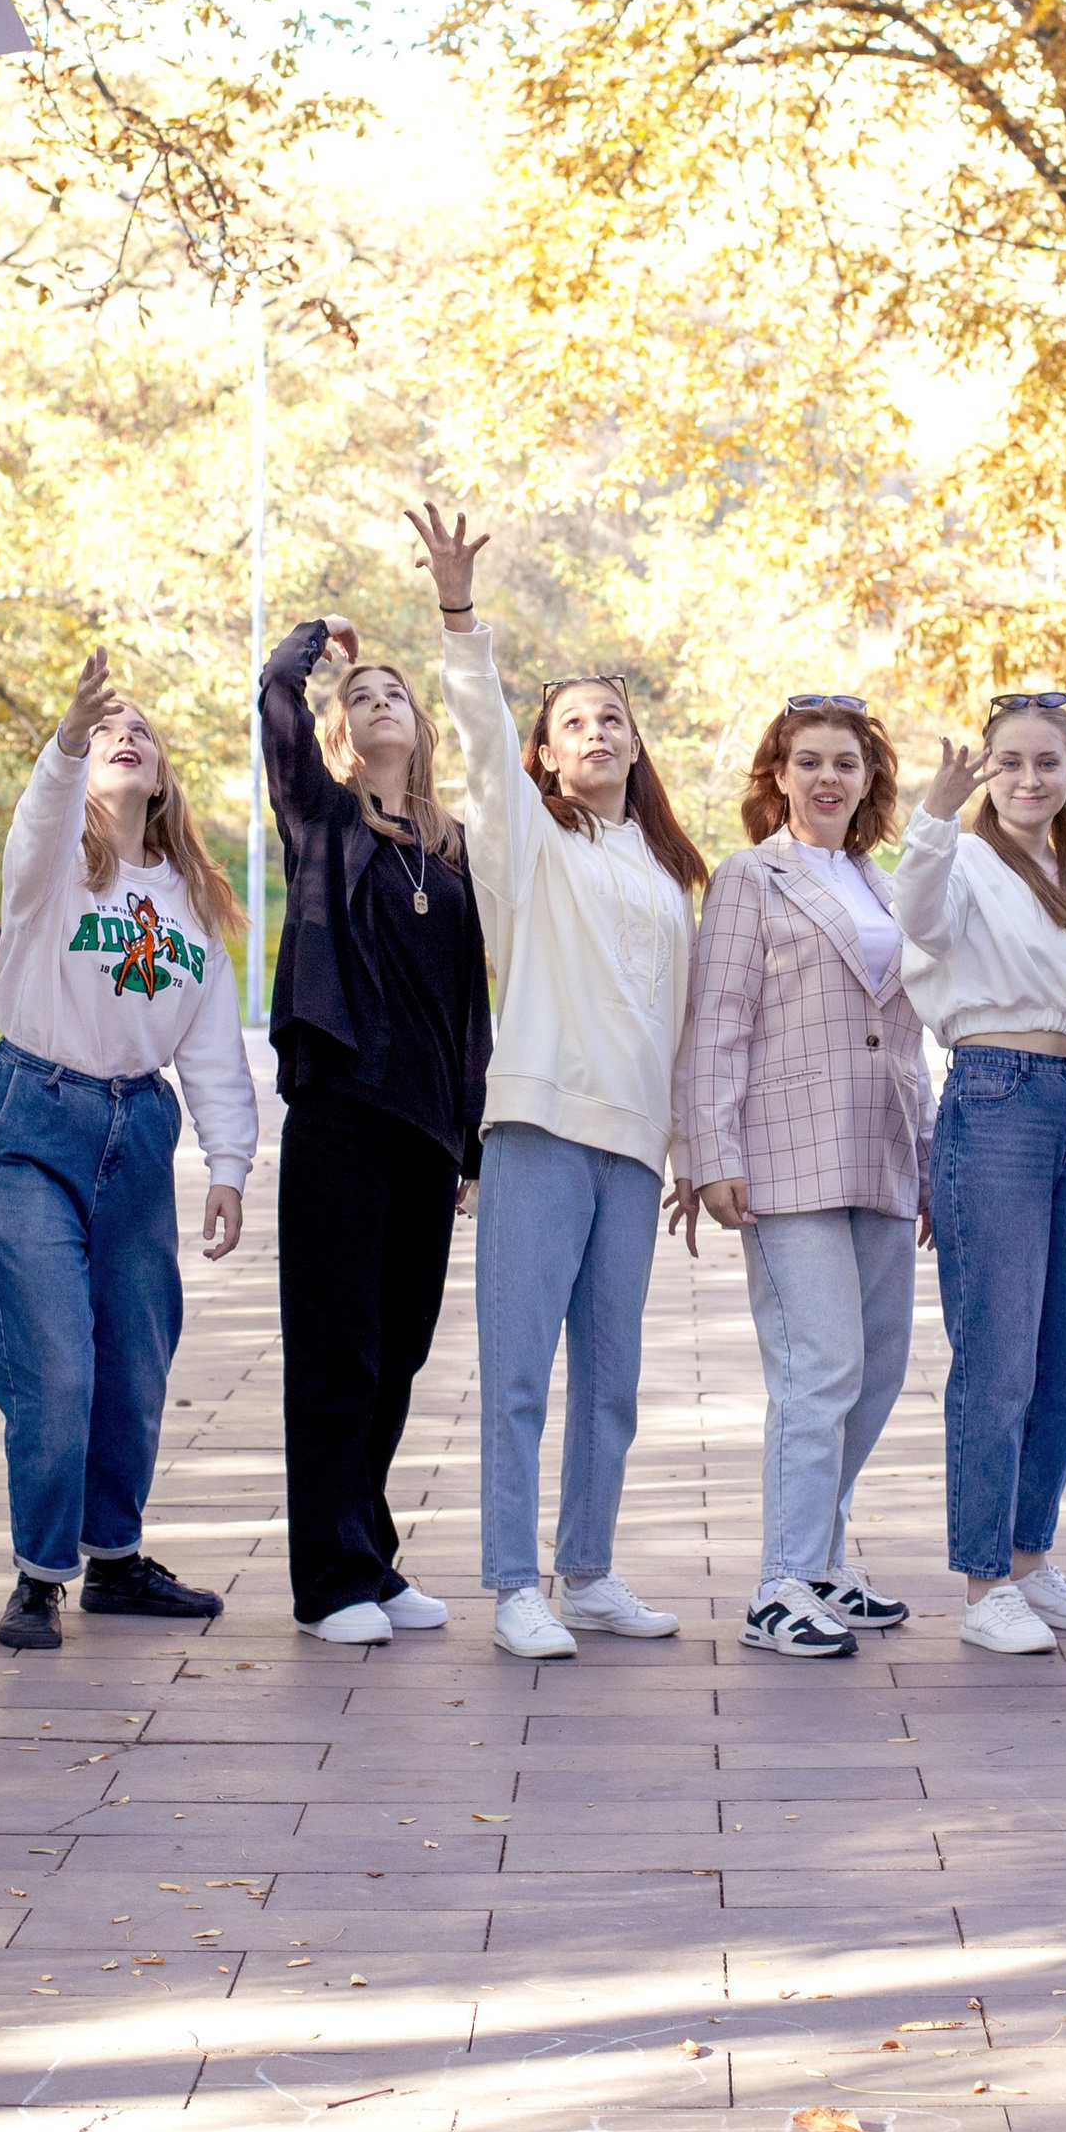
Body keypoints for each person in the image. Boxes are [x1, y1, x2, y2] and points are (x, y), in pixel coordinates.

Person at [411, 502, 709, 1659]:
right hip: (537, 1125)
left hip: (633, 1148)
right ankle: (512, 1583)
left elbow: (677, 1026)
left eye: (611, 718)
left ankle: (587, 1571)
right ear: (546, 752)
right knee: (521, 1371)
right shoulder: (527, 845)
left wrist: (686, 1149)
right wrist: (458, 616)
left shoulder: (667, 869)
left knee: (615, 1381)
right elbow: (481, 733)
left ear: (636, 743)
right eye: (571, 721)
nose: (593, 731)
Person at [0, 649, 256, 1654]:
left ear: (165, 773)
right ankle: (40, 1574)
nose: (123, 736)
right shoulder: (50, 867)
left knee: (134, 1360)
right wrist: (61, 739)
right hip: (32, 1118)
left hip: (138, 1128)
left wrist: (228, 1164)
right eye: (105, 731)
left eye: (141, 729)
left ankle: (117, 1561)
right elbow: (41, 818)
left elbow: (214, 1044)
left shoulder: (188, 895)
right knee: (55, 1360)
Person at [679, 695, 934, 1659]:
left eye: (848, 763)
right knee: (818, 1367)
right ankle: (779, 1585)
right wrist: (712, 1153)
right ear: (778, 776)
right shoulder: (751, 877)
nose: (829, 777)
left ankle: (823, 1559)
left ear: (870, 779)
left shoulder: (883, 884)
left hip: (883, 1149)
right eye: (810, 761)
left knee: (875, 1373)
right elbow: (718, 1019)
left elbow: (910, 1036)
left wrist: (934, 1160)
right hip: (786, 1157)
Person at [260, 613, 490, 1645]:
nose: (379, 700)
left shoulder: (448, 851)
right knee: (335, 1352)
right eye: (362, 697)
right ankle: (329, 1582)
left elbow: (468, 1004)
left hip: (426, 1129)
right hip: (342, 1116)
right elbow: (275, 709)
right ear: (343, 736)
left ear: (421, 729)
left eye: (394, 691)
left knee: (398, 1350)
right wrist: (314, 647)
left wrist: (470, 1134)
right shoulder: (320, 817)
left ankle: (372, 1550)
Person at [891, 692, 1066, 1656]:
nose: (1031, 779)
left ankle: (1031, 1561)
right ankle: (985, 1579)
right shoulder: (962, 858)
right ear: (986, 769)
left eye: (1049, 762)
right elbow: (918, 914)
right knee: (996, 1360)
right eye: (1011, 762)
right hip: (996, 1098)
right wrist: (934, 814)